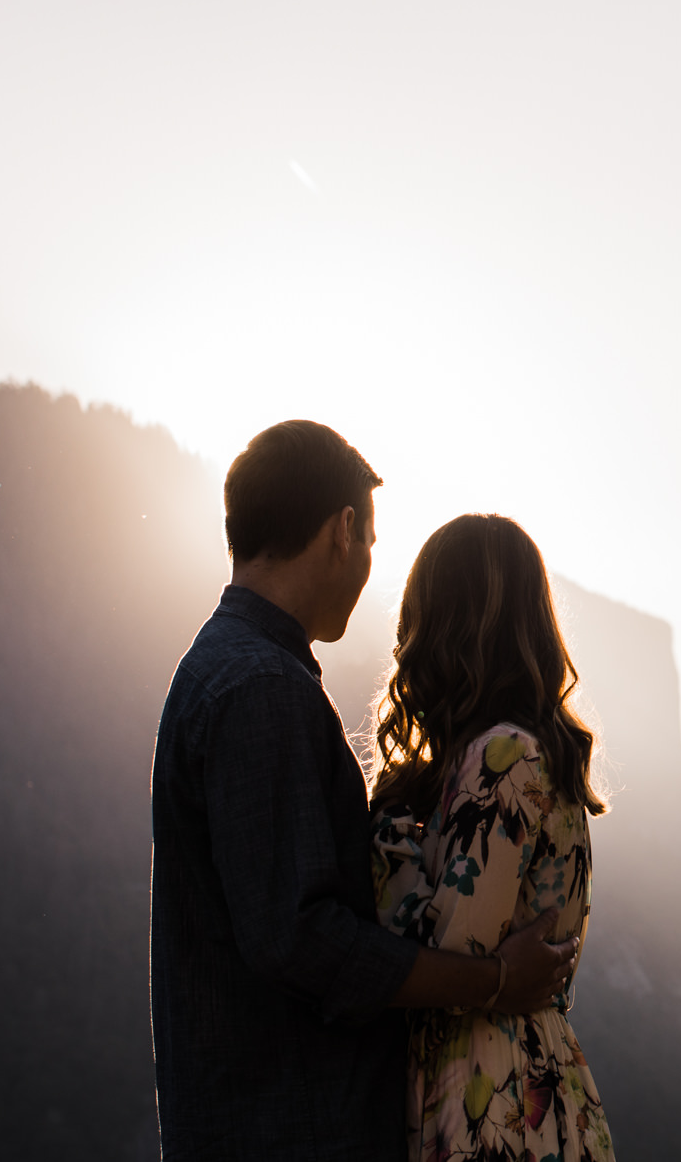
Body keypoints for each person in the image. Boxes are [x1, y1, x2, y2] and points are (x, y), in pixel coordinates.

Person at [150, 422, 579, 1161]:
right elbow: (301, 938)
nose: (370, 566)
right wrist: (497, 978)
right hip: (290, 1125)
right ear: (343, 530)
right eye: (372, 541)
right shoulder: (263, 689)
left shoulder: (226, 668)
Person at [368, 514, 616, 1162]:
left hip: (490, 1101)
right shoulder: (537, 753)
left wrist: (390, 829)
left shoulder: (503, 756)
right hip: (537, 1087)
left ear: (446, 623)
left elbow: (448, 953)